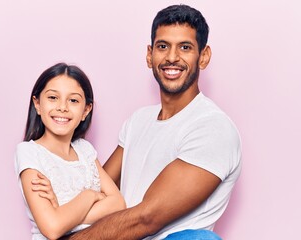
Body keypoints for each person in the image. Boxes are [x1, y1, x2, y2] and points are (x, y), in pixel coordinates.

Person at [42, 4, 241, 240]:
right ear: (150, 55)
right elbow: (98, 189)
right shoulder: (138, 120)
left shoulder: (213, 128)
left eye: (185, 47)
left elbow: (147, 218)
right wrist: (56, 210)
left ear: (204, 56)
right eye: (163, 46)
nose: (172, 57)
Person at [14, 63, 126, 240]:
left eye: (73, 100)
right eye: (53, 97)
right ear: (37, 104)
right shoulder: (29, 152)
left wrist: (61, 213)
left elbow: (118, 203)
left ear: (86, 110)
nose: (62, 107)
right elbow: (51, 228)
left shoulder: (85, 150)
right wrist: (90, 196)